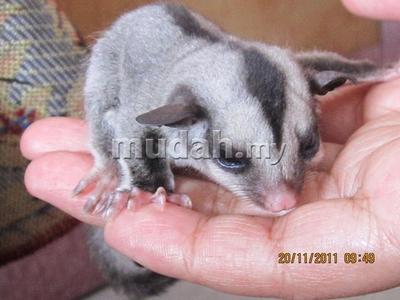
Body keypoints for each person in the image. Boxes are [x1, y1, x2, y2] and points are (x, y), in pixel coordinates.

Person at [21, 0, 400, 298]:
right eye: (234, 158)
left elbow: (305, 67)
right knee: (109, 111)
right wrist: (143, 181)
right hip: (130, 57)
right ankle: (107, 165)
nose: (285, 200)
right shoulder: (164, 114)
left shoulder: (286, 74)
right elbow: (128, 122)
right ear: (181, 121)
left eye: (304, 146)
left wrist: (371, 71)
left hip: (209, 61)